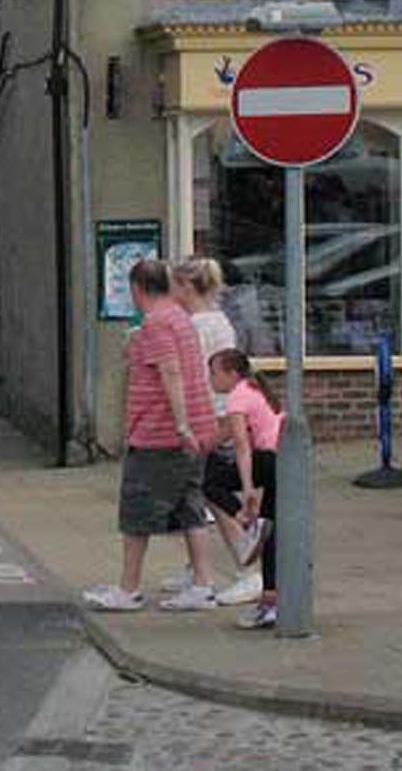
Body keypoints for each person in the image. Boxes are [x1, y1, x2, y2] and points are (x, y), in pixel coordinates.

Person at [82, 259, 219, 612]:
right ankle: (203, 584)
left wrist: (180, 424)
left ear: (136, 288)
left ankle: (128, 589)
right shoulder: (179, 318)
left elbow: (170, 372)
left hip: (161, 435)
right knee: (191, 508)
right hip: (195, 431)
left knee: (136, 511)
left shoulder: (157, 323)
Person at [169, 256, 260, 607]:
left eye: (176, 285)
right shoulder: (213, 321)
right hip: (215, 417)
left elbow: (189, 373)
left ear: (188, 287)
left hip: (213, 420)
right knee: (196, 493)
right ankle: (196, 567)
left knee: (214, 495)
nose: (172, 292)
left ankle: (249, 571)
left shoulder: (201, 325)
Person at [207, 349, 284, 630]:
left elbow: (241, 444)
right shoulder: (254, 389)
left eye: (214, 373)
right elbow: (228, 432)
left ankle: (245, 523)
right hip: (282, 462)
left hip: (267, 461)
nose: (210, 379)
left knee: (211, 482)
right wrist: (205, 445)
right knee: (271, 533)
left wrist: (248, 489)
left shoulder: (238, 396)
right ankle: (270, 602)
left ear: (232, 374)